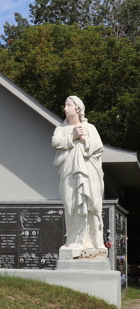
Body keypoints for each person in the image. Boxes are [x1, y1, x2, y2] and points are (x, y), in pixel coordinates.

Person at [52, 96, 105, 250]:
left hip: (88, 173)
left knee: (88, 204)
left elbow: (98, 147)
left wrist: (83, 138)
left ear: (78, 108)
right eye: (65, 105)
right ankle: (73, 239)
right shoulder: (60, 129)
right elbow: (55, 142)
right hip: (69, 172)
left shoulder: (90, 128)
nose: (65, 108)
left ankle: (89, 241)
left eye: (69, 105)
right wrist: (72, 137)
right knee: (70, 204)